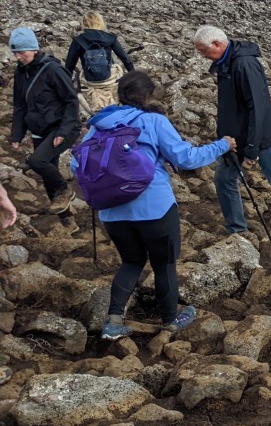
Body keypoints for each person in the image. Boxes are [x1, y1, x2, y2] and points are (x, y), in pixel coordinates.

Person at [74, 71, 233, 340]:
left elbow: (76, 164)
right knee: (164, 264)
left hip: (112, 212)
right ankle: (171, 321)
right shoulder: (154, 121)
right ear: (149, 95)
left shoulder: (98, 125)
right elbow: (186, 158)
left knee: (131, 262)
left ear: (119, 94)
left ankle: (113, 322)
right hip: (154, 207)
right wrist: (222, 145)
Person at [192, 26, 271, 240]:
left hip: (258, 137)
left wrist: (252, 147)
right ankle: (236, 230)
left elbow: (258, 108)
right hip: (233, 138)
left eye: (203, 50)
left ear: (216, 44)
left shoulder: (244, 64)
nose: (202, 55)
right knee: (224, 179)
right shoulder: (225, 62)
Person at [9, 27, 80, 216]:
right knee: (49, 176)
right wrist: (17, 134)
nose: (18, 57)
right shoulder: (21, 73)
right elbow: (19, 105)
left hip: (62, 127)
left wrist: (63, 132)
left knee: (37, 161)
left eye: (21, 52)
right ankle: (66, 220)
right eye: (15, 52)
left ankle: (65, 190)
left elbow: (71, 101)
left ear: (33, 49)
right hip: (40, 129)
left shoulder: (53, 70)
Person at [65, 12, 136, 116]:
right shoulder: (110, 37)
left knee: (79, 80)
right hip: (110, 79)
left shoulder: (79, 40)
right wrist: (134, 77)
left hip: (89, 80)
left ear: (84, 23)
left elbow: (69, 65)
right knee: (117, 70)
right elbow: (126, 59)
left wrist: (67, 85)